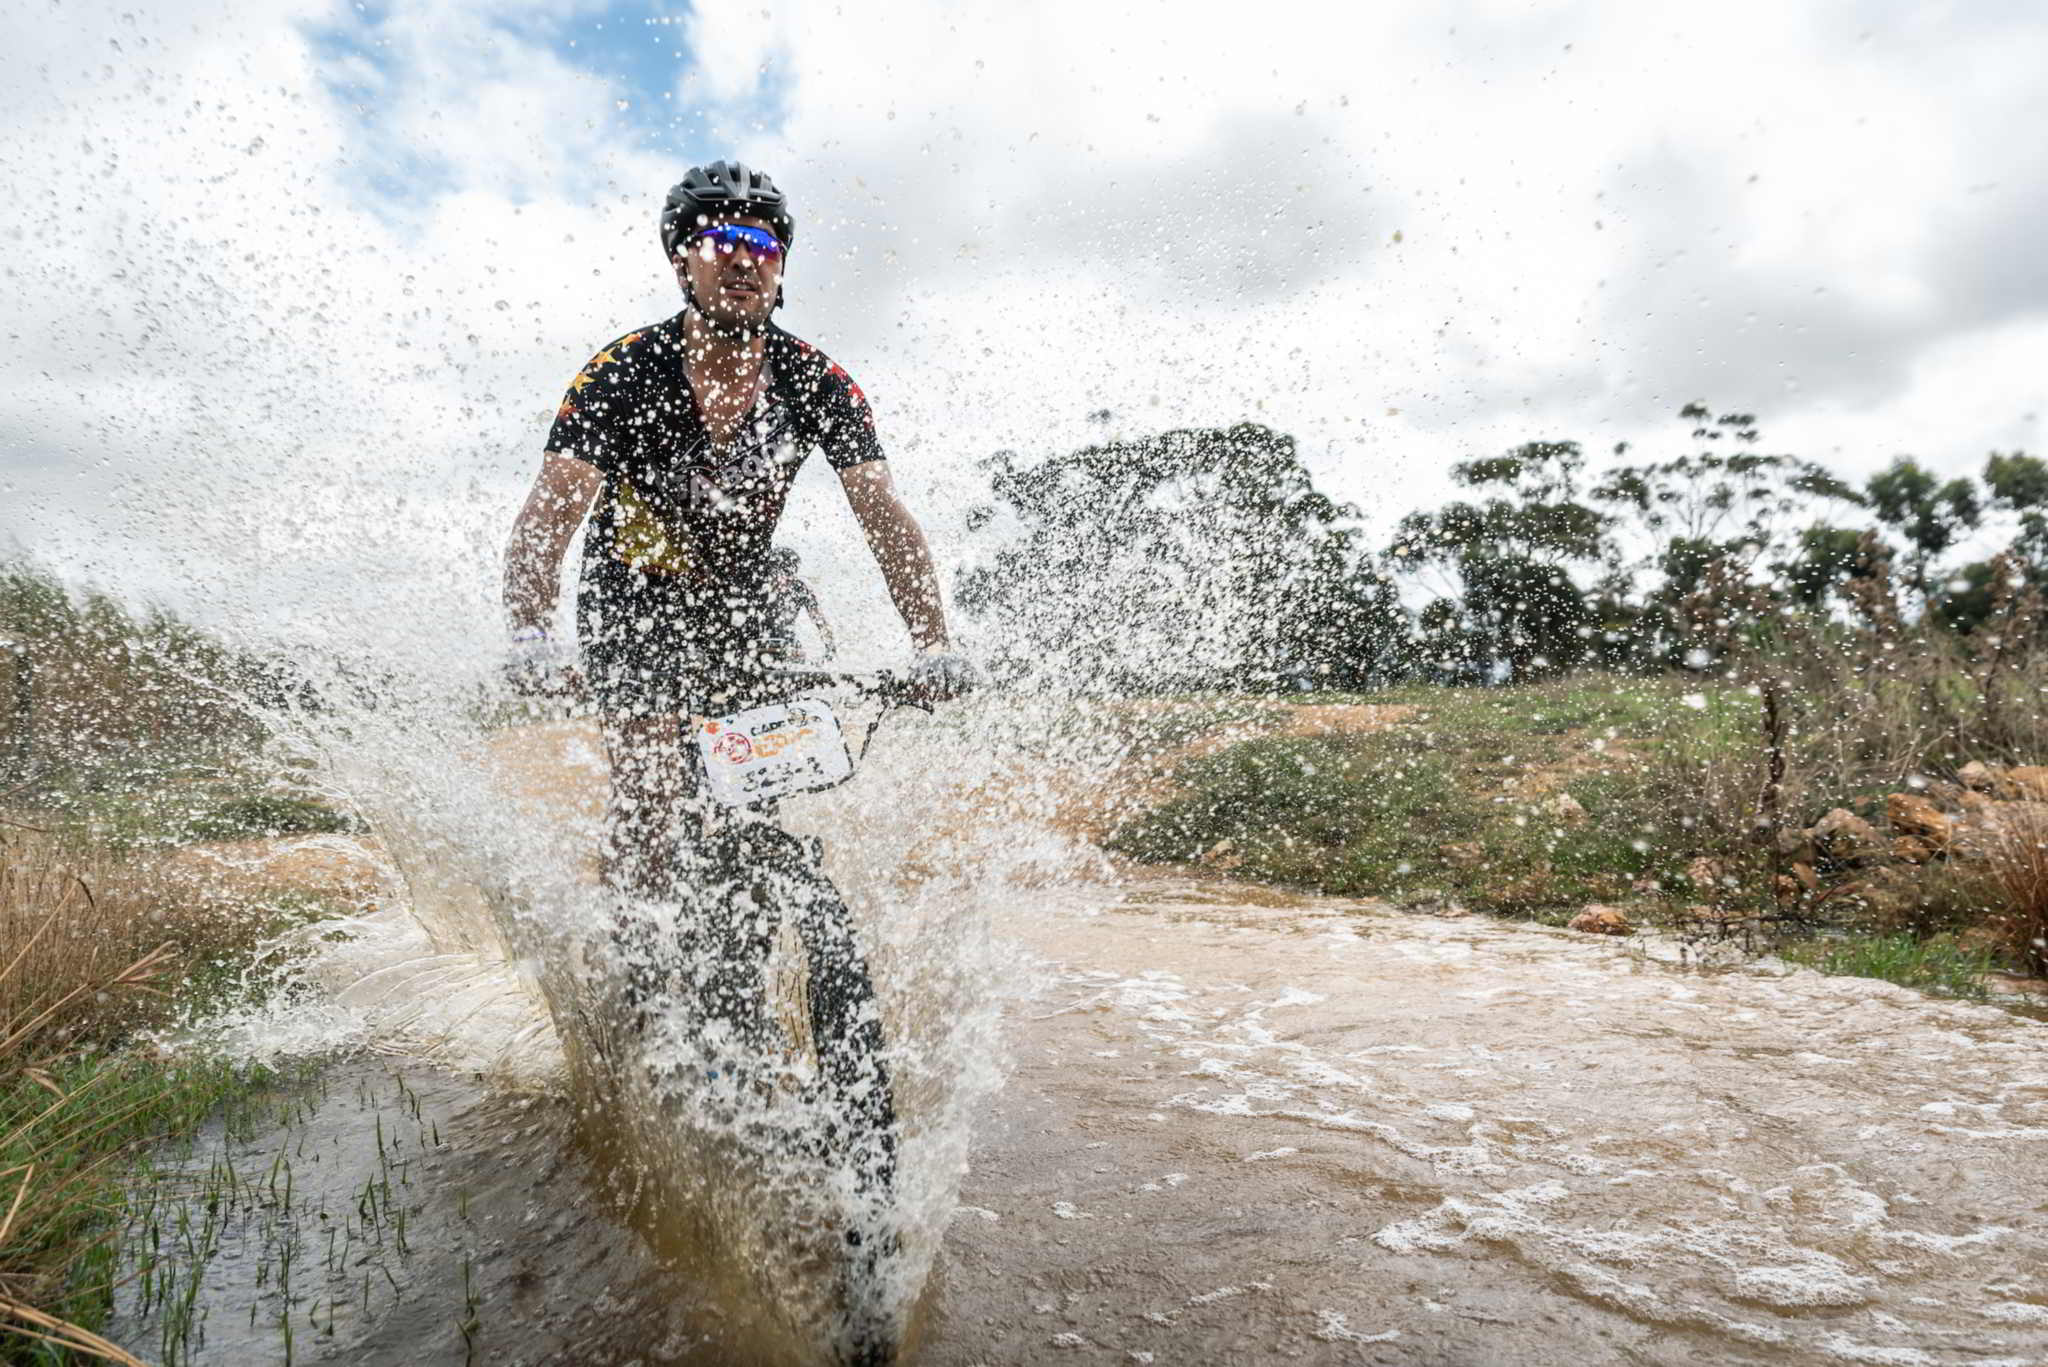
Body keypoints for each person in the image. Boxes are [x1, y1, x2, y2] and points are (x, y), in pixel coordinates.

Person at [501, 159, 975, 895]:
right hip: (632, 596)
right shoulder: (622, 372)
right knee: (651, 792)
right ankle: (637, 943)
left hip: (744, 597)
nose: (745, 258)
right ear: (682, 262)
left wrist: (932, 642)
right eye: (721, 241)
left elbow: (882, 512)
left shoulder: (817, 380)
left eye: (763, 244)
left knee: (760, 780)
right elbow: (551, 509)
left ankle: (748, 901)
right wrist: (530, 631)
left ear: (781, 271)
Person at [762, 545, 837, 666]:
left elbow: (819, 619)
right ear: (771, 572)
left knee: (796, 653)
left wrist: (831, 648)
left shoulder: (799, 588)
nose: (787, 579)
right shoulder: (760, 588)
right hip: (759, 642)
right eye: (782, 573)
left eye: (791, 573)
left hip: (788, 643)